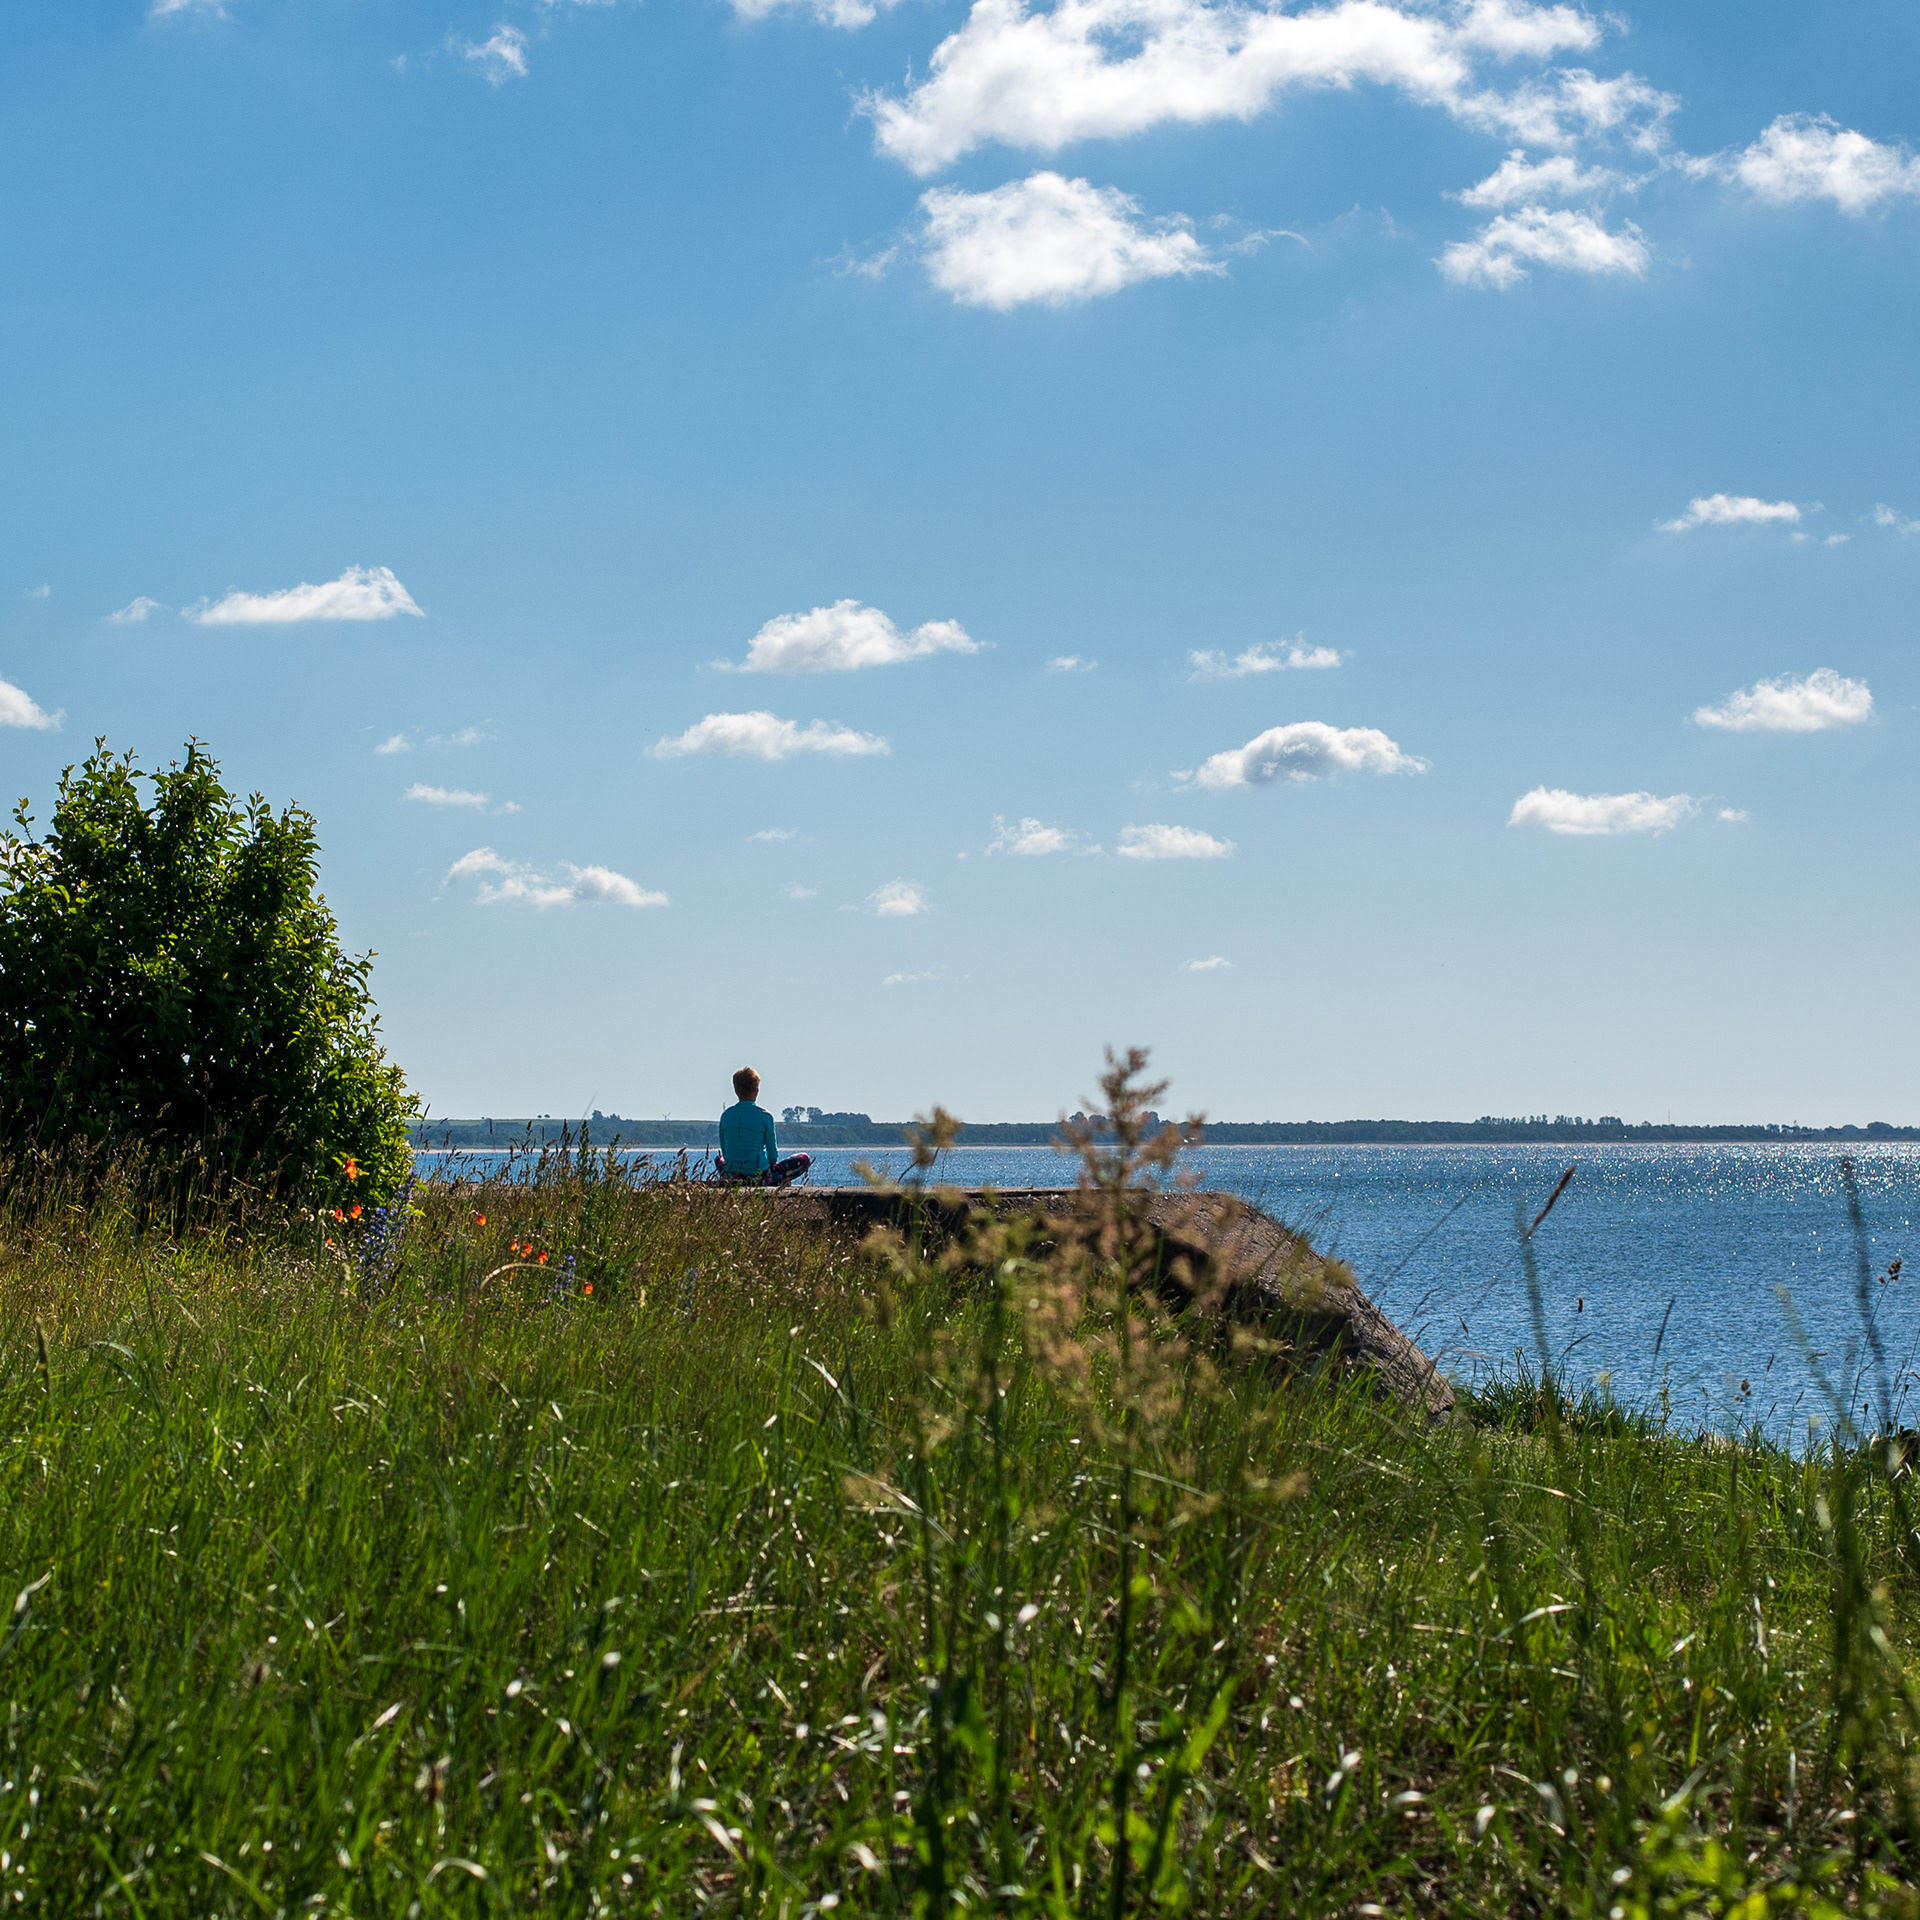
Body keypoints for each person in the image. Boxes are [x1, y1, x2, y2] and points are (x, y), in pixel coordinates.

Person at [716, 1068, 812, 1187]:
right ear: (756, 1089)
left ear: (736, 1090)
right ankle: (779, 1180)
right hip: (759, 1177)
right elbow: (772, 1158)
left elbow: (725, 1152)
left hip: (732, 1175)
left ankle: (732, 1179)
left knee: (719, 1159)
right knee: (804, 1159)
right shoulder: (765, 1116)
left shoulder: (726, 1116)